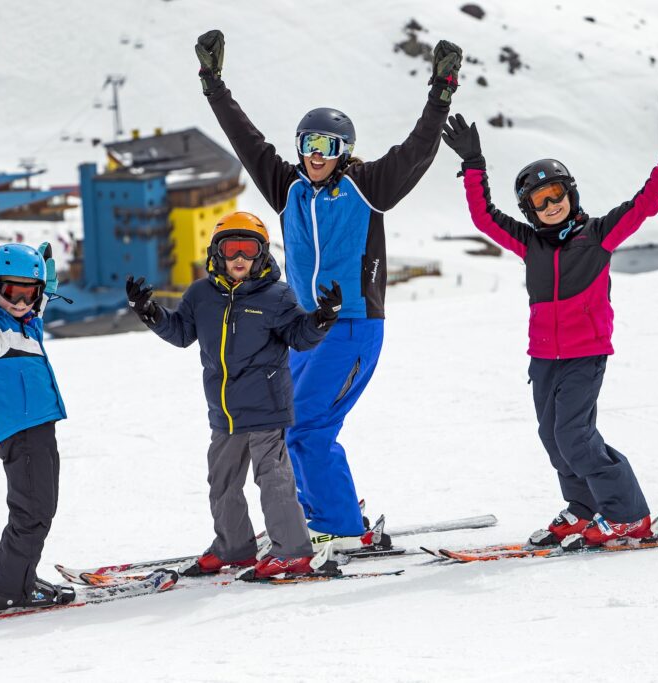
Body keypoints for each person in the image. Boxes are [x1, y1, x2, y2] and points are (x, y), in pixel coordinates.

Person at [194, 29, 461, 548]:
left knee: (310, 428)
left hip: (353, 327)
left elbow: (417, 151)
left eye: (328, 146)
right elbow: (247, 142)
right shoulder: (287, 188)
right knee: (283, 427)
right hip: (302, 331)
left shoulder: (367, 188)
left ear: (344, 152)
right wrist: (213, 85)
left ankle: (340, 527)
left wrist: (441, 91)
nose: (316, 154)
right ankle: (321, 512)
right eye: (309, 145)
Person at [442, 114, 658, 547]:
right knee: (553, 439)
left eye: (557, 194)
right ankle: (581, 509)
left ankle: (629, 516)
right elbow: (483, 217)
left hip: (584, 354)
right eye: (540, 201)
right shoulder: (529, 243)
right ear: (529, 210)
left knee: (575, 436)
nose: (551, 205)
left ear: (571, 193)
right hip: (543, 357)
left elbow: (644, 203)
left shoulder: (598, 236)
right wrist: (473, 164)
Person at [126, 211, 342, 578]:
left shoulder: (276, 296)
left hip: (266, 407)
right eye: (232, 249)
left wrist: (322, 319)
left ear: (261, 254)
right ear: (217, 252)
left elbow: (299, 336)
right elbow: (181, 333)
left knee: (273, 480)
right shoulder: (200, 294)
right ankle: (234, 547)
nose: (240, 258)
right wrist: (150, 313)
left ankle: (292, 551)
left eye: (249, 249)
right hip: (224, 410)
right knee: (222, 482)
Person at [0, 235, 73, 611]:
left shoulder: (27, 322)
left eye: (29, 295)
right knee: (31, 513)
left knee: (42, 509)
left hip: (39, 430)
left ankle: (20, 578)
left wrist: (47, 288)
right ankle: (7, 592)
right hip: (21, 435)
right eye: (12, 294)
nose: (21, 303)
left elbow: (35, 311)